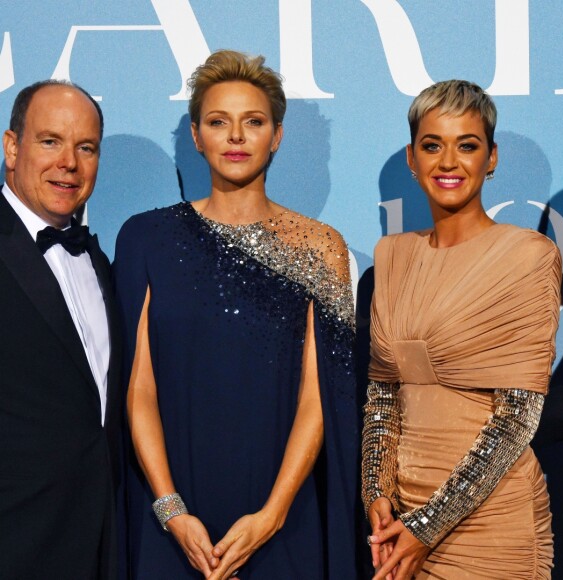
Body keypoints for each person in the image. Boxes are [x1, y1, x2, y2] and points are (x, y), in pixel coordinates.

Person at [114, 50, 358, 579]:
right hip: (171, 521)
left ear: (277, 136)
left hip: (283, 520)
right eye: (218, 122)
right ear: (197, 136)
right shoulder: (146, 238)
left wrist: (271, 517)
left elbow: (320, 401)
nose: (236, 137)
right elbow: (139, 388)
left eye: (253, 122)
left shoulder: (321, 248)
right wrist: (171, 510)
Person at [362, 80, 560, 579]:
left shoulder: (527, 256)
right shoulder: (392, 257)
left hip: (491, 521)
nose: (448, 162)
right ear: (412, 158)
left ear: (491, 158)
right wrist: (377, 493)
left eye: (467, 145)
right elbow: (384, 396)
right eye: (433, 145)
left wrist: (428, 527)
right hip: (401, 522)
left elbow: (517, 418)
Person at [0, 80, 122, 578]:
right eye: (50, 141)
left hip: (103, 543)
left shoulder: (98, 257)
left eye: (85, 147)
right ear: (12, 147)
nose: (68, 162)